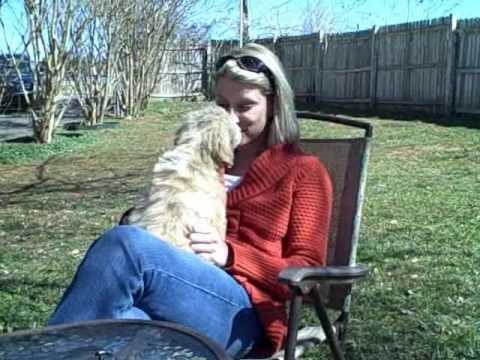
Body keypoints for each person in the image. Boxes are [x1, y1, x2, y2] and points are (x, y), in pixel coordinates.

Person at [47, 43, 333, 358]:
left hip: (246, 316)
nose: (230, 118)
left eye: (244, 106)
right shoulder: (205, 156)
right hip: (172, 292)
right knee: (120, 325)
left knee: (125, 246)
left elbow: (308, 277)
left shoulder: (304, 171)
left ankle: (40, 352)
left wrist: (230, 255)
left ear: (274, 104)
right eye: (222, 105)